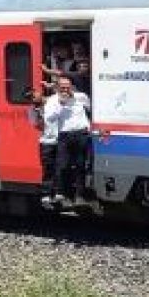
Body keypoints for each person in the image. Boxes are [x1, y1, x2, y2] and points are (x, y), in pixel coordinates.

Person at [43, 76, 92, 206]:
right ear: (58, 88)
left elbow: (90, 107)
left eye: (68, 87)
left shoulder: (81, 97)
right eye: (63, 88)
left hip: (81, 133)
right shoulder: (53, 100)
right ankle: (63, 194)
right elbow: (49, 119)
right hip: (64, 135)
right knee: (63, 166)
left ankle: (79, 195)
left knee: (80, 165)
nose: (66, 90)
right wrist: (61, 105)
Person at [28, 86, 60, 207]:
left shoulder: (54, 100)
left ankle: (59, 192)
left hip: (61, 139)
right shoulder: (32, 110)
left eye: (33, 94)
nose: (33, 98)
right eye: (30, 97)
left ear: (38, 92)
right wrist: (39, 114)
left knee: (61, 166)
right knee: (48, 168)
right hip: (46, 141)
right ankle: (47, 194)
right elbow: (39, 127)